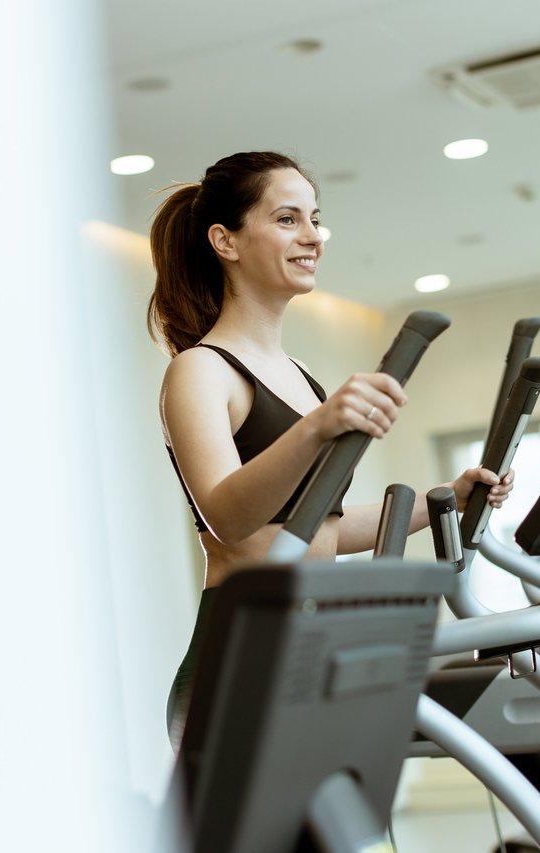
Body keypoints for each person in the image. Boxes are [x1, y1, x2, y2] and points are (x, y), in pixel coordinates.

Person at [150, 151, 514, 748]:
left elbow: (318, 529)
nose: (314, 237)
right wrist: (316, 427)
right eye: (288, 219)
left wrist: (445, 499)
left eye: (316, 220)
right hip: (239, 652)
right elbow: (229, 517)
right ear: (226, 240)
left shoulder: (297, 373)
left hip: (311, 643)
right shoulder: (201, 370)